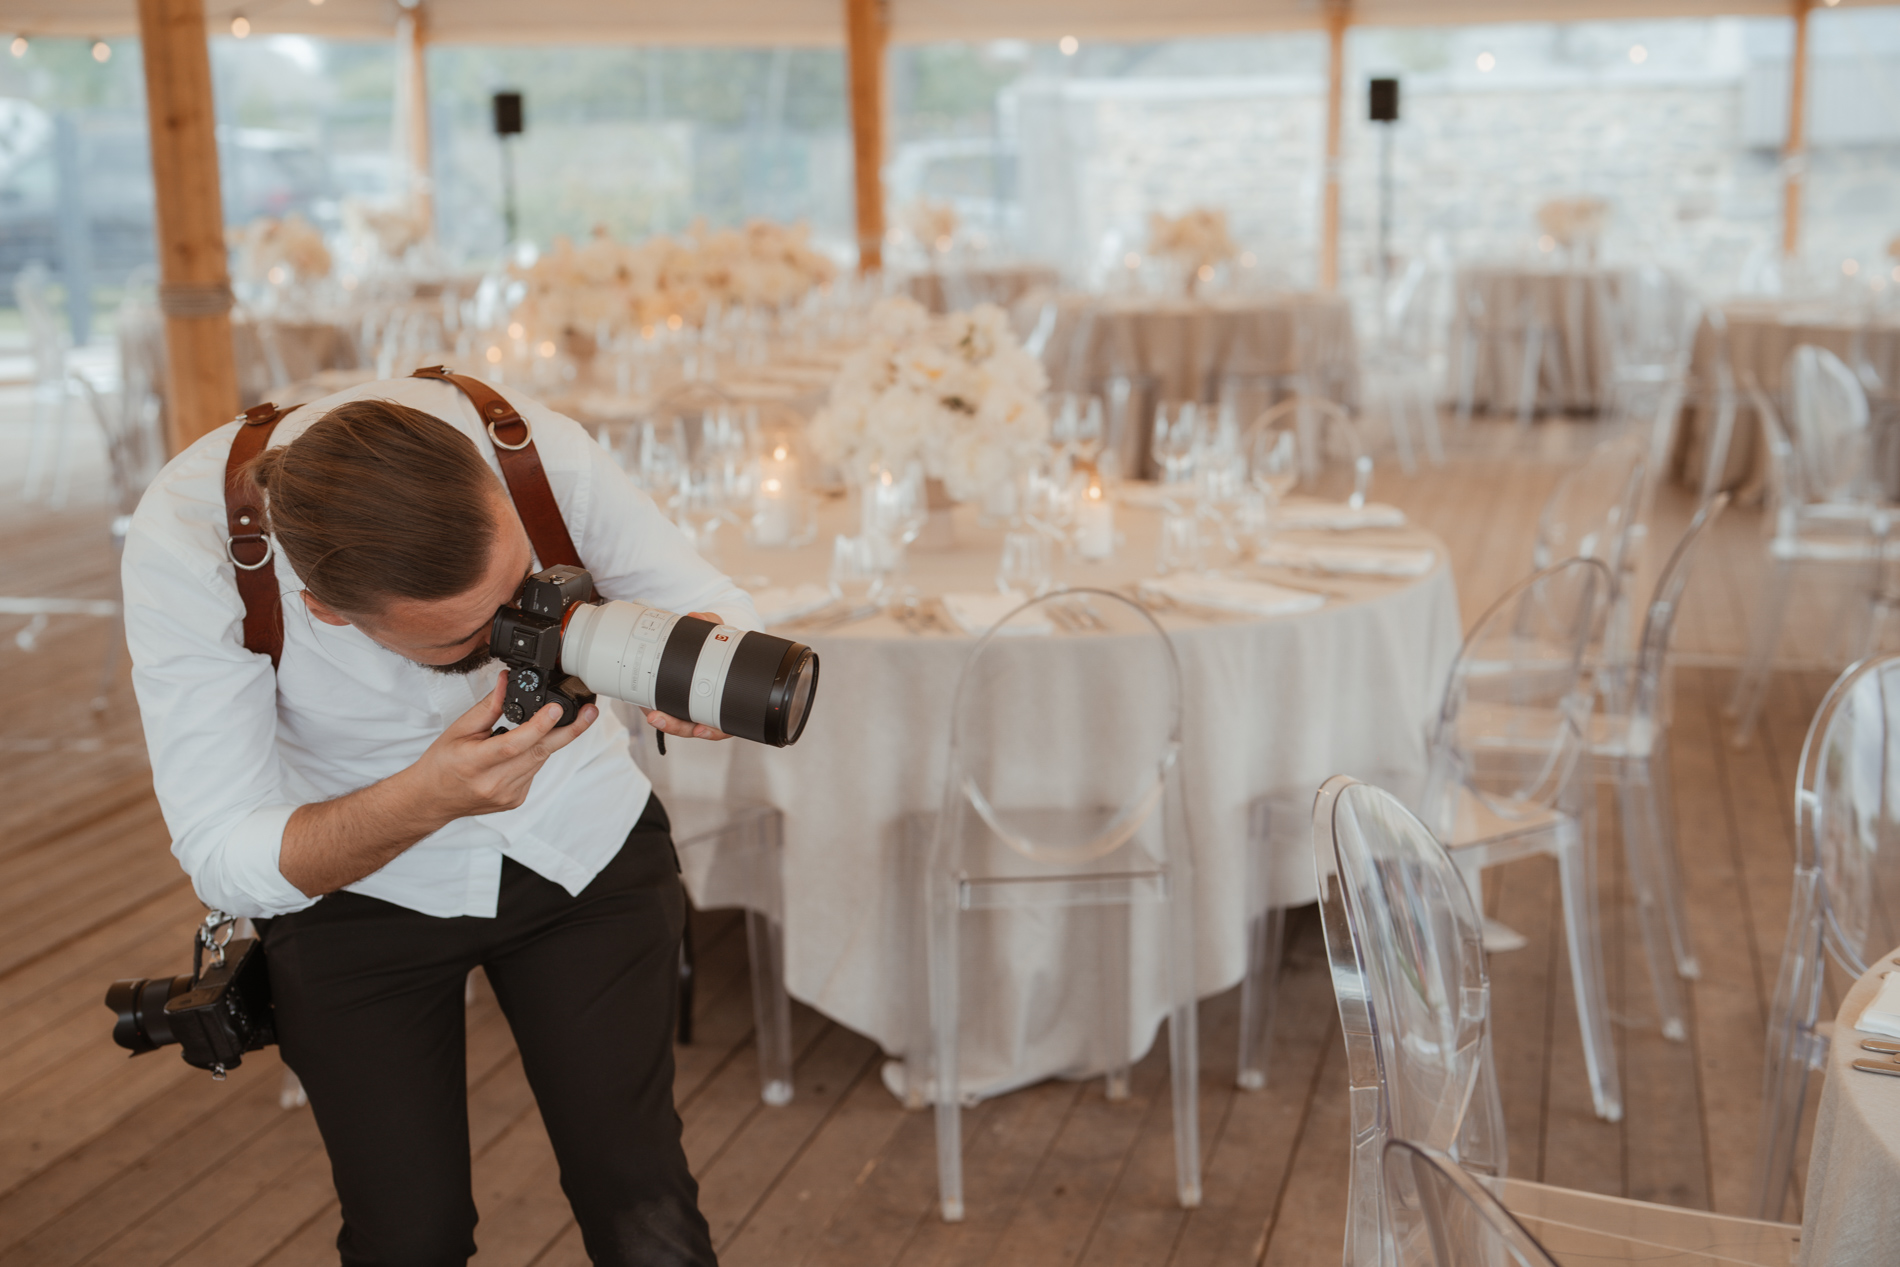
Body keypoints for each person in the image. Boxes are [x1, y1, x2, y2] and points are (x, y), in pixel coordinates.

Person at [123, 376, 753, 1266]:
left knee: (640, 1191)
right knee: (406, 1235)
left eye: (520, 594)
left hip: (581, 844)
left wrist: (705, 669)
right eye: (464, 641)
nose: (508, 636)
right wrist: (426, 797)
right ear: (328, 610)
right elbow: (222, 853)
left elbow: (711, 601)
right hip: (357, 887)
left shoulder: (527, 445)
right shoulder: (189, 545)